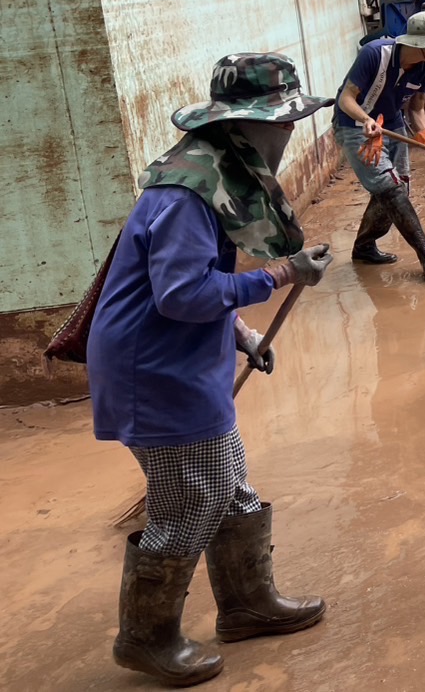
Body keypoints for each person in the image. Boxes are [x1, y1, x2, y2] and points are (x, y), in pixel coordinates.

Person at [87, 54, 334, 686]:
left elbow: (191, 289)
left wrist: (242, 332)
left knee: (229, 486)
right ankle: (145, 637)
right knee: (192, 499)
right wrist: (281, 274)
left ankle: (249, 604)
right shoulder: (186, 196)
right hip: (154, 368)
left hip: (183, 357)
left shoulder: (214, 171)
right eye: (283, 123)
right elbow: (181, 295)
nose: (289, 134)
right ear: (249, 126)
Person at [337, 10, 425, 276]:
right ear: (421, 44)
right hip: (356, 126)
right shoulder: (374, 54)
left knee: (397, 185)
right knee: (390, 188)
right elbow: (346, 99)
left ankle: (364, 247)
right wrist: (366, 120)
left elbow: (415, 109)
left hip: (392, 125)